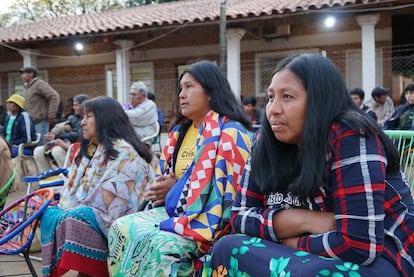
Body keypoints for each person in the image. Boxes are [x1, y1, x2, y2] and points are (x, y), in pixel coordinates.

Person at [203, 53, 414, 277]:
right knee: (226, 248)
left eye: (287, 97)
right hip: (310, 250)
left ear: (319, 100)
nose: (273, 109)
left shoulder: (351, 135)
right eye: (271, 97)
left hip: (382, 257)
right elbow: (240, 217)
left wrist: (290, 241)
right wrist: (304, 219)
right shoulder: (266, 142)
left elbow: (358, 245)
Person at [108, 60, 252, 276]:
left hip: (210, 220)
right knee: (120, 228)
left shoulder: (232, 133)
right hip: (175, 211)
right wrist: (163, 191)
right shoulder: (179, 131)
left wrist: (177, 189)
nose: (181, 94)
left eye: (189, 87)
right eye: (181, 88)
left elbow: (232, 196)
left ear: (211, 92)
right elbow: (169, 179)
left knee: (160, 245)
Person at [40, 96, 154, 277]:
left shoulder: (124, 152)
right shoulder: (91, 150)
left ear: (106, 119)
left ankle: (92, 271)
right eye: (83, 117)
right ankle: (84, 272)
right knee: (47, 210)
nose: (83, 123)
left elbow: (114, 203)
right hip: (97, 211)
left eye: (89, 117)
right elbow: (75, 190)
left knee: (74, 218)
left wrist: (73, 209)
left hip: (121, 220)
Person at [33, 94, 89, 172]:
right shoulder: (72, 117)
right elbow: (63, 127)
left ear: (84, 105)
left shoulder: (88, 119)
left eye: (76, 105)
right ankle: (48, 177)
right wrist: (53, 135)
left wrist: (57, 137)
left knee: (57, 151)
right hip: (65, 144)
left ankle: (68, 175)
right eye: (73, 105)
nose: (73, 108)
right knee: (38, 151)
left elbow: (79, 135)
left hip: (76, 148)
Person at [20, 66, 60, 145]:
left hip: (40, 122)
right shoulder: (28, 87)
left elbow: (54, 96)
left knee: (41, 147)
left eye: (23, 73)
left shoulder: (39, 84)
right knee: (34, 147)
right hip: (32, 123)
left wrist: (51, 114)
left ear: (31, 74)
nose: (22, 76)